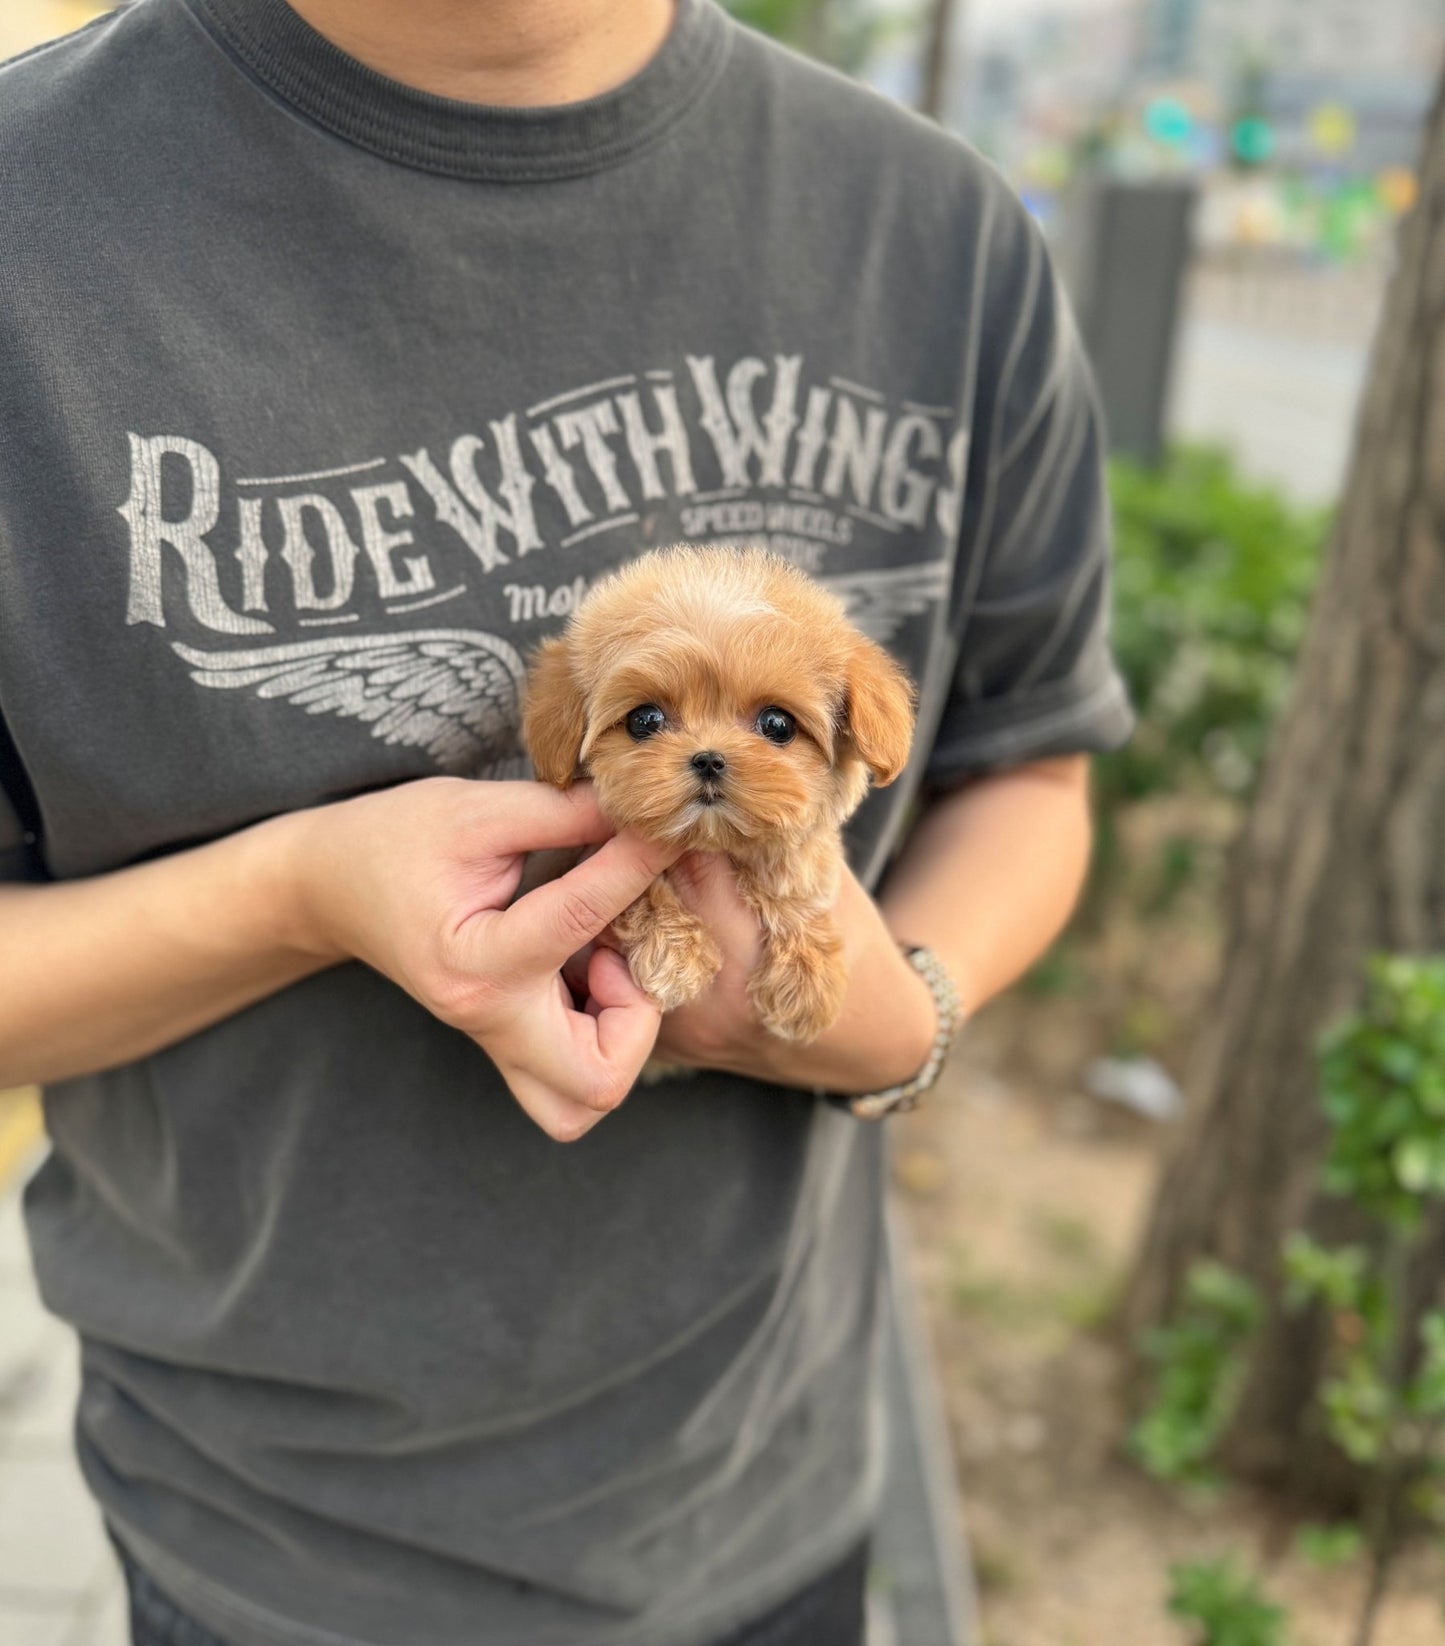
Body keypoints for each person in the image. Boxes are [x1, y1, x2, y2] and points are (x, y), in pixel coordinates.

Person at [0, 0, 1134, 1642]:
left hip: (778, 1496)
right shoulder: (40, 228)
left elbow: (1027, 765)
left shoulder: (940, 232)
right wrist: (302, 893)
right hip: (272, 1551)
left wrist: (900, 1006)